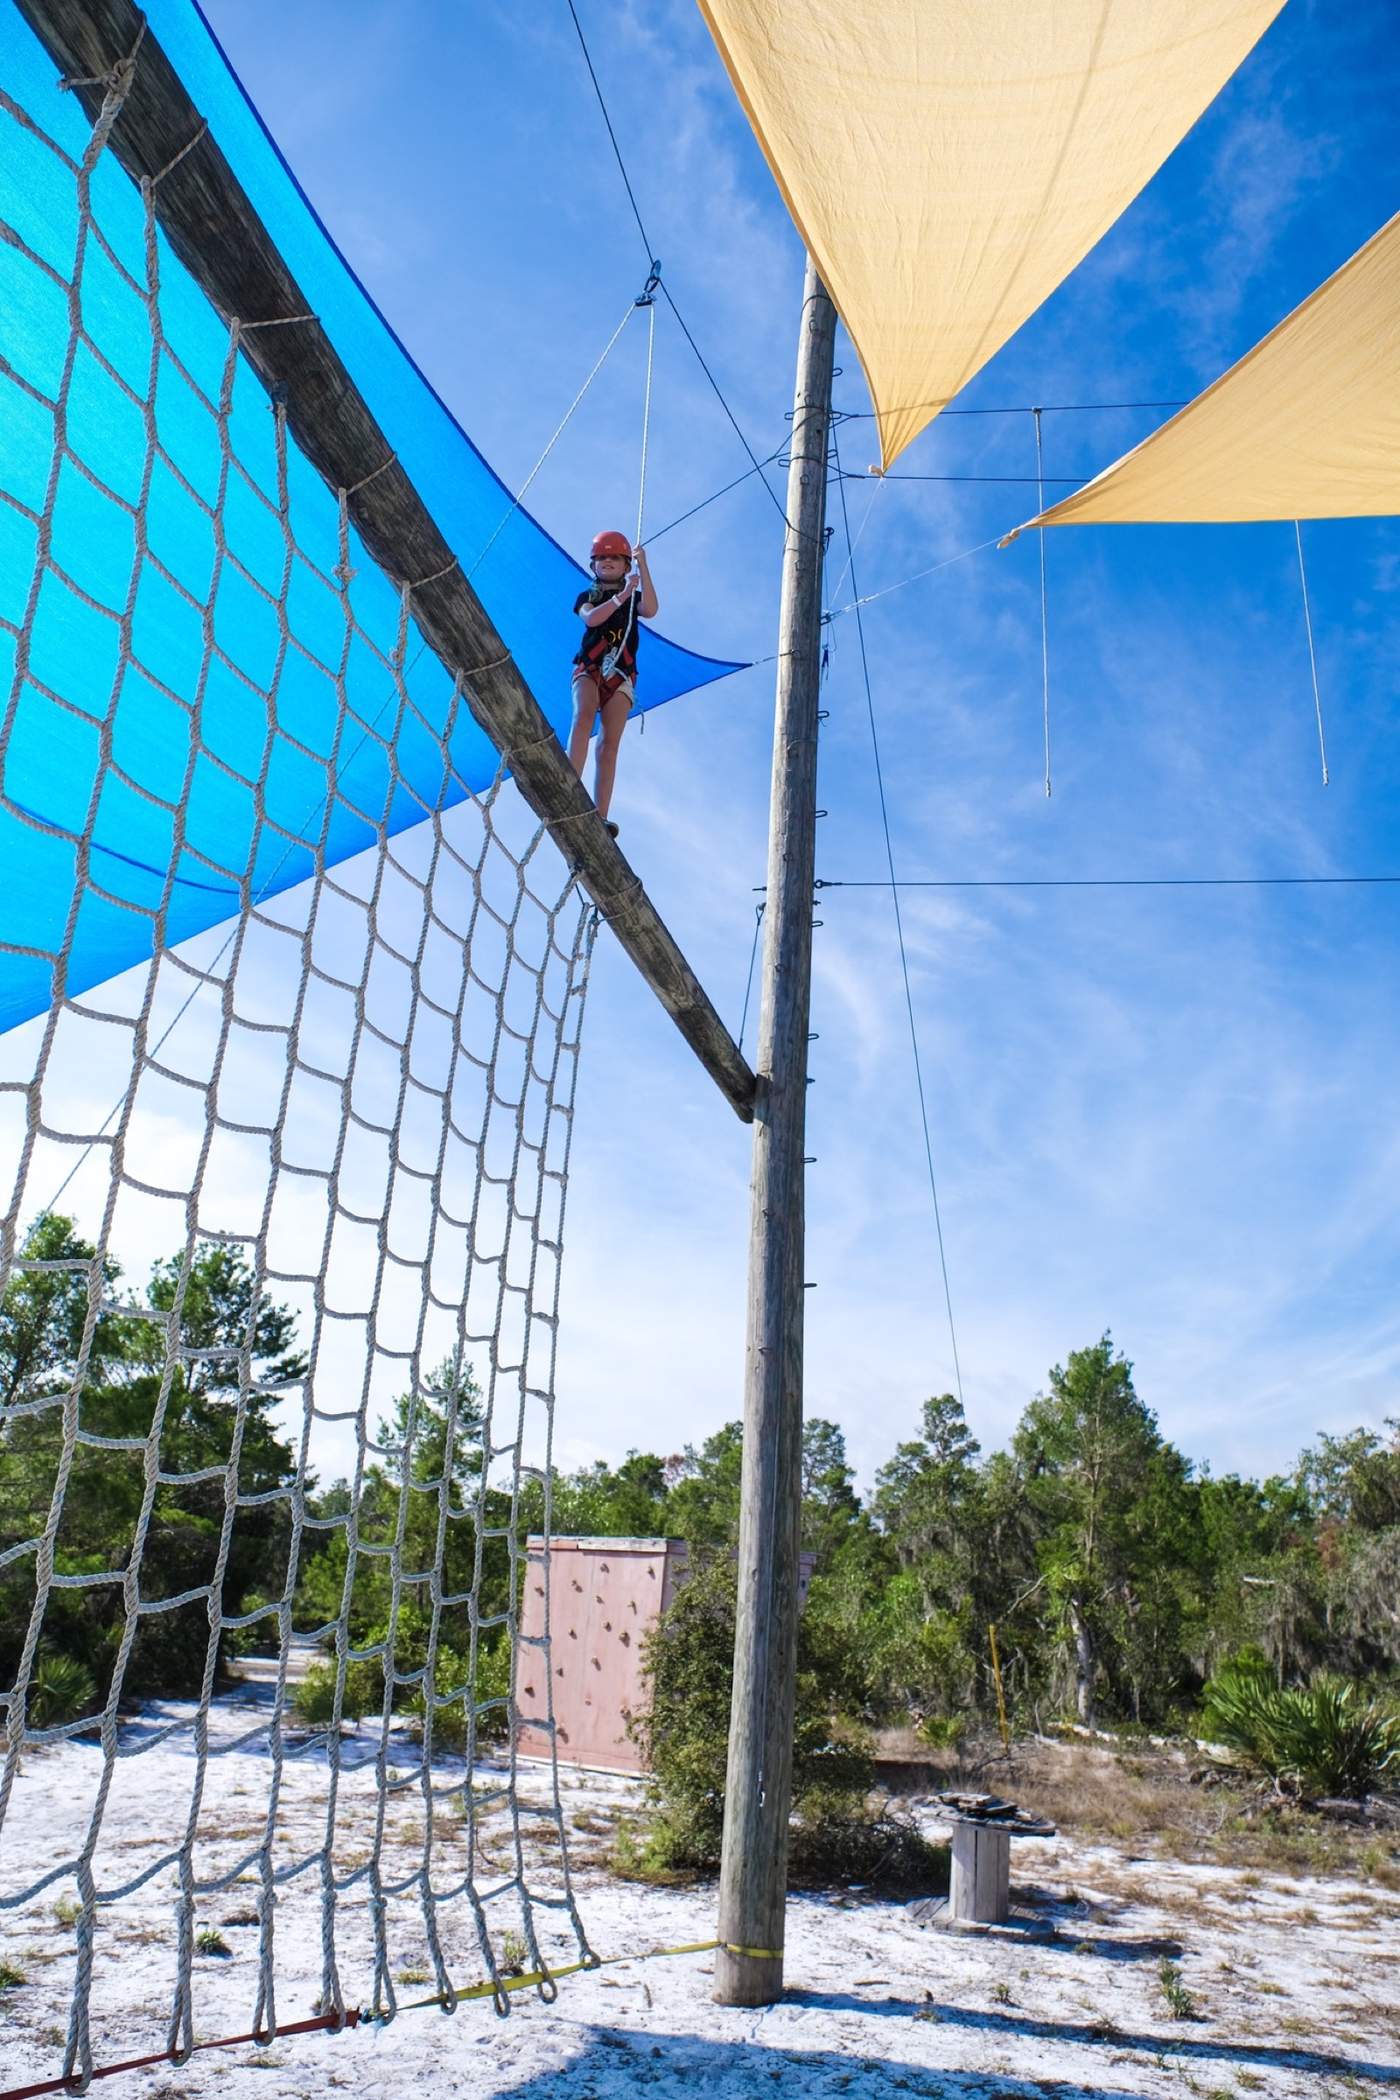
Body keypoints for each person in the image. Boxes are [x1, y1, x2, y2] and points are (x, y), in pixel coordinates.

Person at [567, 530, 657, 836]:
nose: (607, 561)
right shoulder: (588, 597)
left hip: (621, 675)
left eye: (614, 557)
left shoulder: (635, 599)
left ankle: (599, 816)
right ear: (594, 564)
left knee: (609, 746)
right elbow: (592, 620)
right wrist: (622, 596)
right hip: (590, 667)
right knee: (582, 717)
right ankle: (569, 783)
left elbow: (652, 610)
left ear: (624, 564)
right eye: (601, 557)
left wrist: (642, 566)